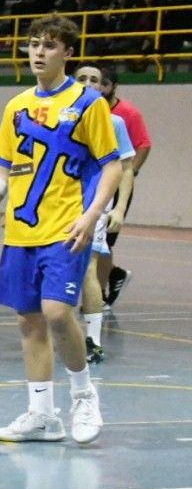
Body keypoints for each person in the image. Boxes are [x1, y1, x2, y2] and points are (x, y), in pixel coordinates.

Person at [0, 14, 122, 446]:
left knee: (58, 312)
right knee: (29, 320)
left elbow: (112, 165)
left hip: (65, 227)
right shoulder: (16, 107)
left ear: (68, 53)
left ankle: (83, 395)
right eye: (34, 44)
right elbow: (2, 174)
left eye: (50, 45)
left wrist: (91, 215)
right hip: (20, 231)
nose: (39, 52)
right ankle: (43, 416)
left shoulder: (87, 103)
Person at [72, 64, 135, 364]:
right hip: (56, 201)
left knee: (88, 267)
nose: (88, 83)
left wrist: (120, 208)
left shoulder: (115, 123)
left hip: (94, 202)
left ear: (104, 88)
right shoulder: (61, 117)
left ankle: (93, 340)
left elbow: (125, 170)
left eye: (95, 80)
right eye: (81, 78)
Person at [94, 63, 152, 307]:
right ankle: (113, 274)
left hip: (114, 183)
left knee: (103, 241)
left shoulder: (126, 114)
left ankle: (99, 293)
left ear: (113, 87)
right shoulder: (84, 108)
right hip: (89, 182)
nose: (98, 88)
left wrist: (130, 173)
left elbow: (143, 144)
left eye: (104, 84)